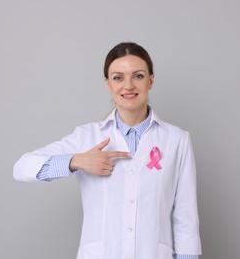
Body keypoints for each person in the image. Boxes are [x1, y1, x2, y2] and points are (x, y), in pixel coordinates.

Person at [13, 42, 202, 259]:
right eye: (118, 77)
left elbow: (186, 219)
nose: (128, 86)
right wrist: (76, 161)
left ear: (151, 80)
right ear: (107, 83)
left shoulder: (177, 140)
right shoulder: (87, 137)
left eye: (138, 76)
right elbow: (21, 168)